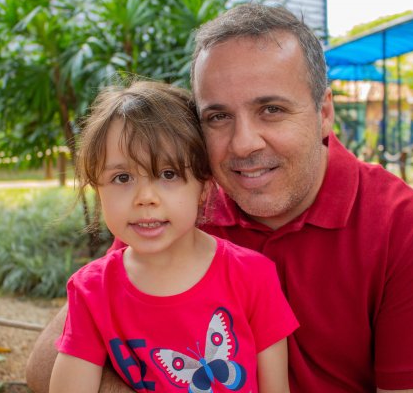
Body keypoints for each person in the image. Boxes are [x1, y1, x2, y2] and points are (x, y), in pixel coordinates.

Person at [27, 3, 413, 393]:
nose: (244, 143)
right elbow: (46, 364)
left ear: (324, 112)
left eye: (271, 109)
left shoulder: (402, 226)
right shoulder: (177, 210)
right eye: (218, 116)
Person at [48, 81, 298, 393]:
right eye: (121, 178)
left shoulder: (252, 277)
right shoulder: (91, 292)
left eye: (168, 174)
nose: (145, 198)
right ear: (97, 189)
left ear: (204, 188)